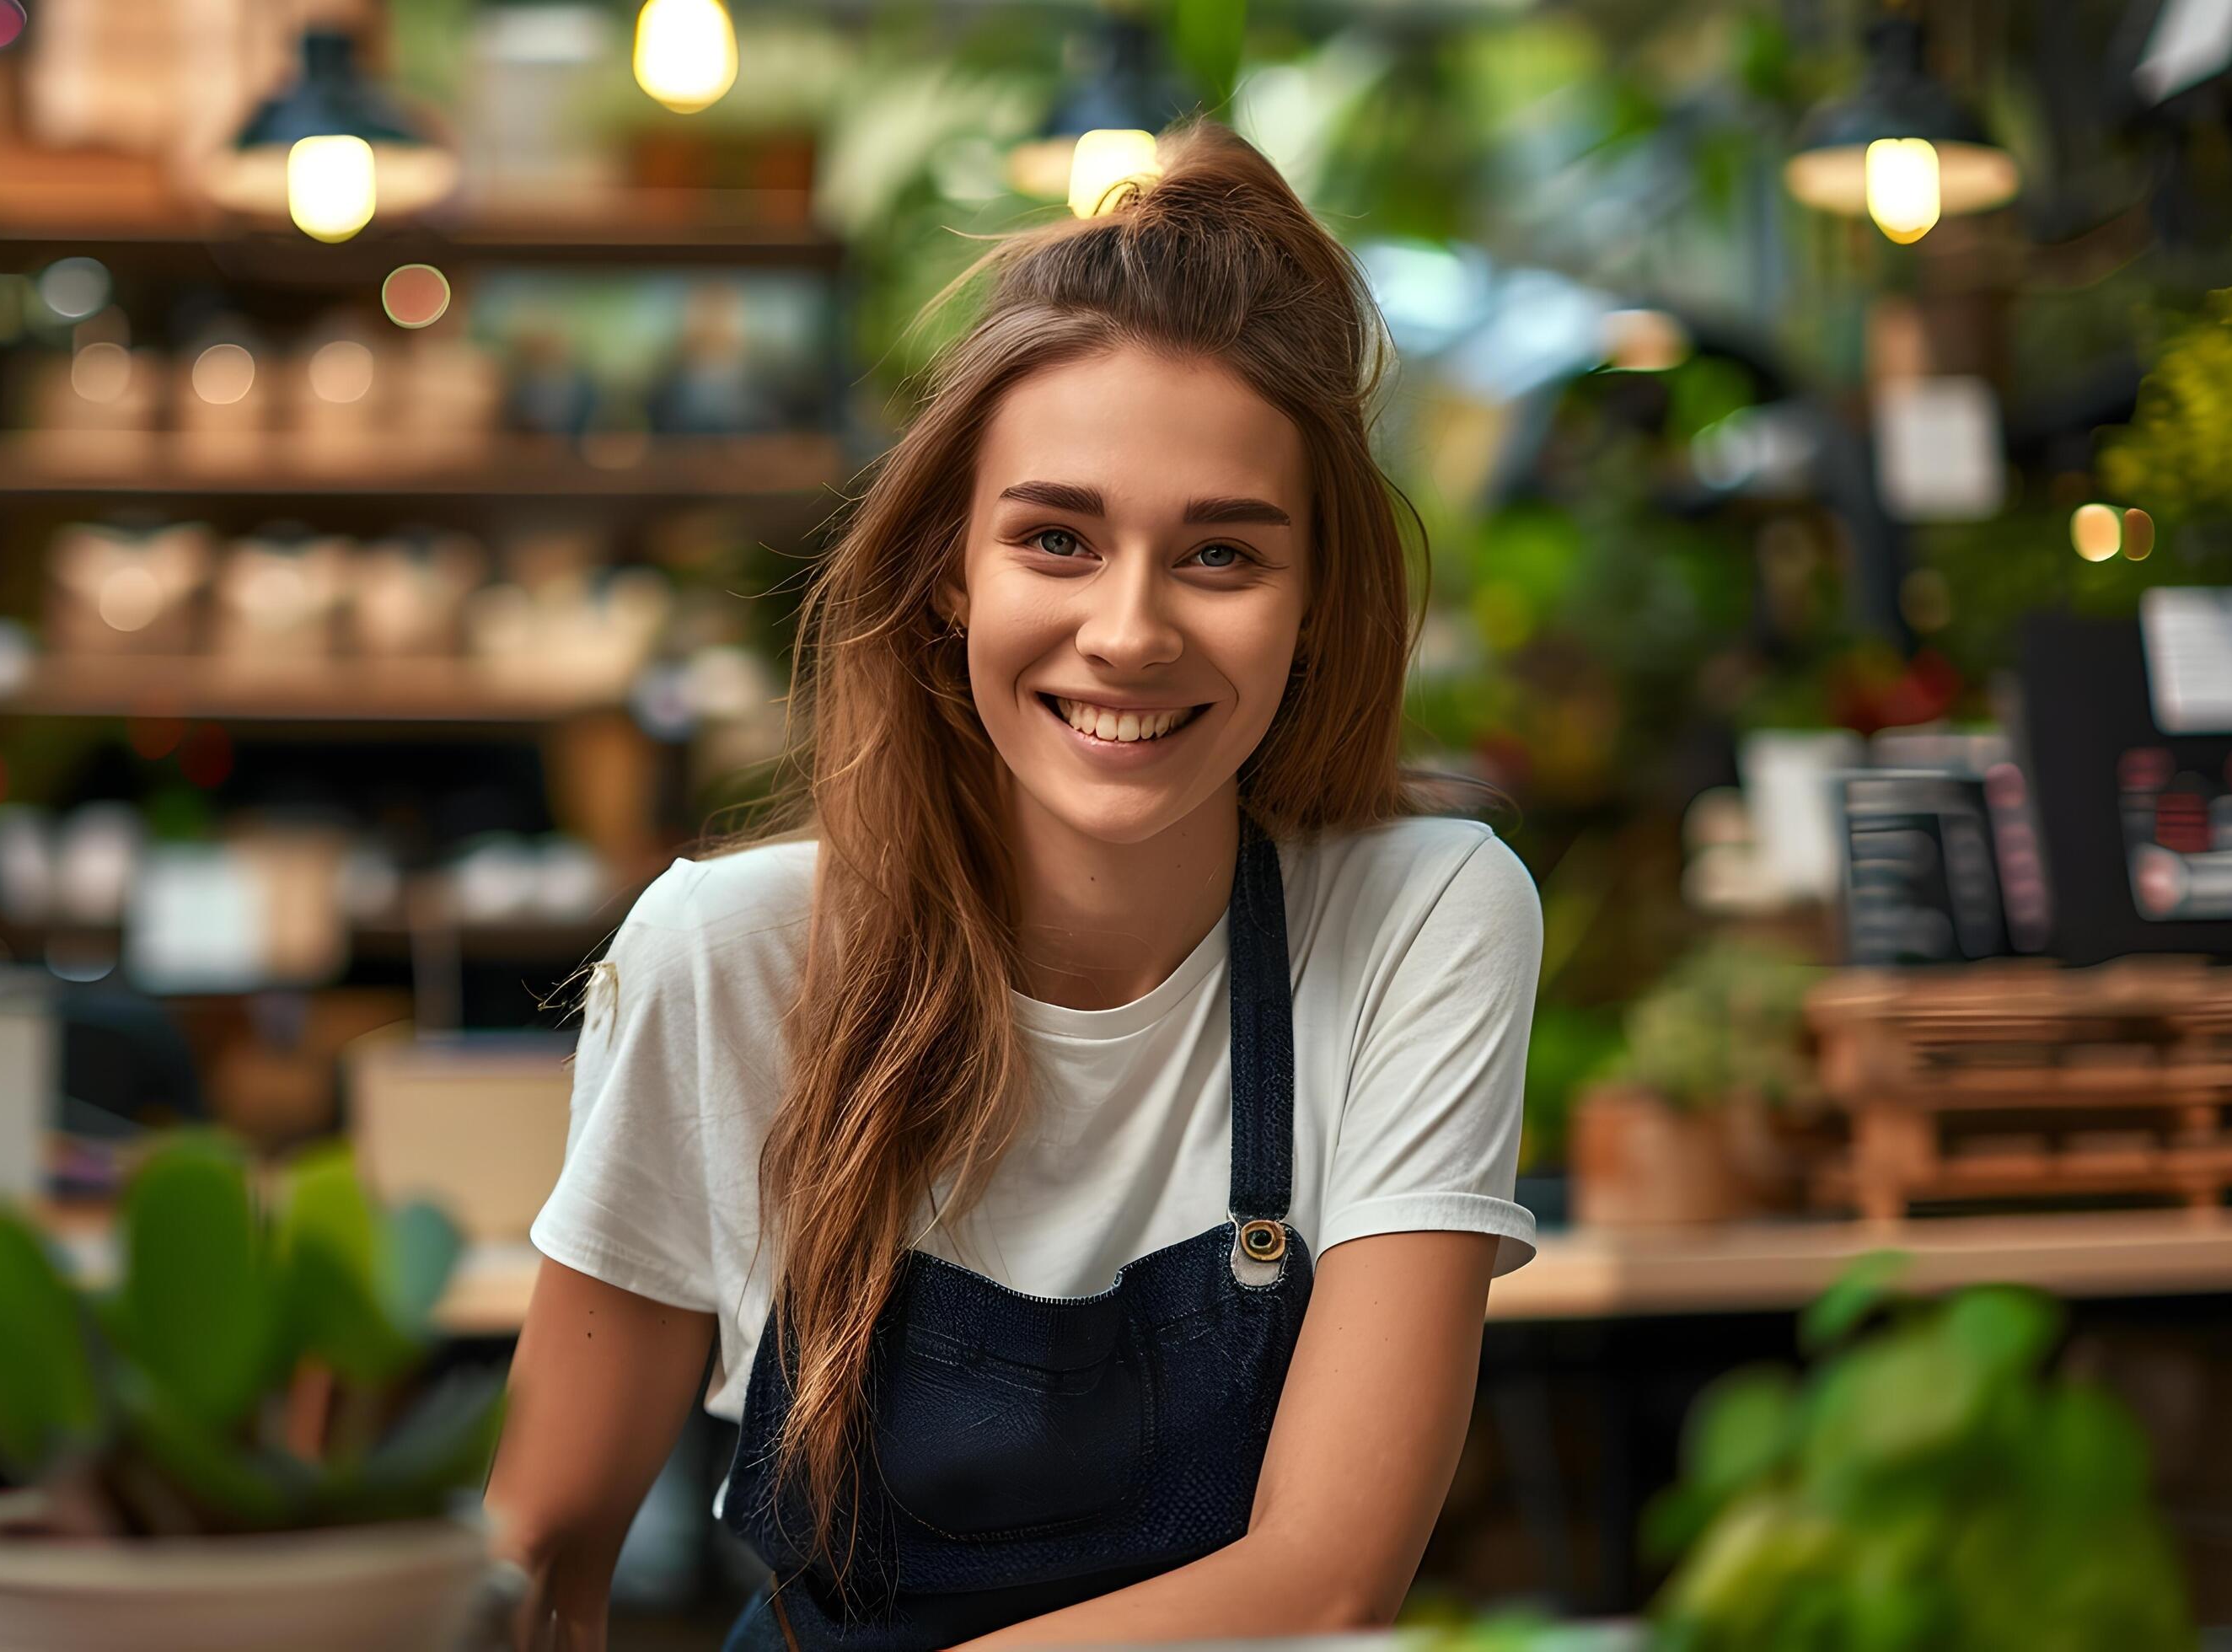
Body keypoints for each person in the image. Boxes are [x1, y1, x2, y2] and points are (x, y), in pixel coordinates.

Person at [483, 121, 1541, 1651]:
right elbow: (539, 1548)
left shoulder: (1422, 916)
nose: (1127, 631)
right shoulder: (729, 954)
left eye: (1221, 557)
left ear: (1315, 607)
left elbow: (1326, 1579)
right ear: (945, 577)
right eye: (1055, 538)